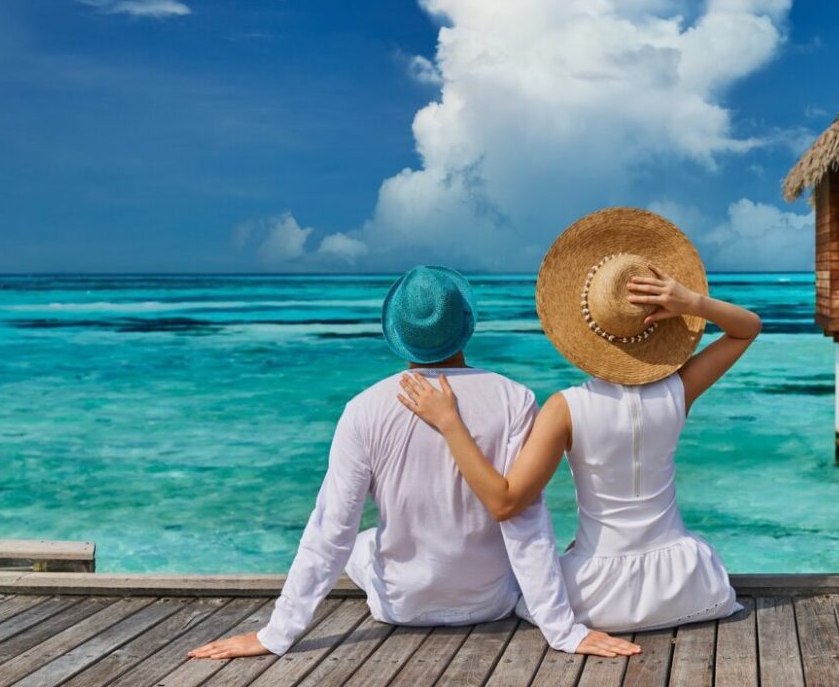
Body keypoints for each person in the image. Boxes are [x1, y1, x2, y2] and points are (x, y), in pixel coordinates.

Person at [188, 265, 639, 661]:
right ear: (466, 325)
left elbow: (331, 531)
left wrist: (276, 633)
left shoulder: (364, 409)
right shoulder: (514, 399)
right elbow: (526, 522)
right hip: (489, 600)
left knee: (359, 540)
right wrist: (562, 630)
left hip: (400, 607)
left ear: (398, 332)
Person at [399, 208, 761, 634]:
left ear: (583, 329)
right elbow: (747, 328)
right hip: (689, 585)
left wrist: (450, 423)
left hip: (598, 596)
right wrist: (692, 303)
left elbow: (505, 502)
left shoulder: (566, 408)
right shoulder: (678, 391)